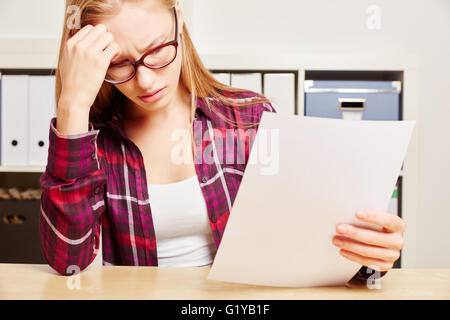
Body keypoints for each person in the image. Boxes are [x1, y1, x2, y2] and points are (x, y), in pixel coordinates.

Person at [39, 0, 405, 282]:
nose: (147, 82)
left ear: (179, 23)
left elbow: (307, 247)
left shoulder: (248, 119)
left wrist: (369, 260)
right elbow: (69, 261)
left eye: (157, 51)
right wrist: (72, 105)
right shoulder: (92, 142)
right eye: (119, 64)